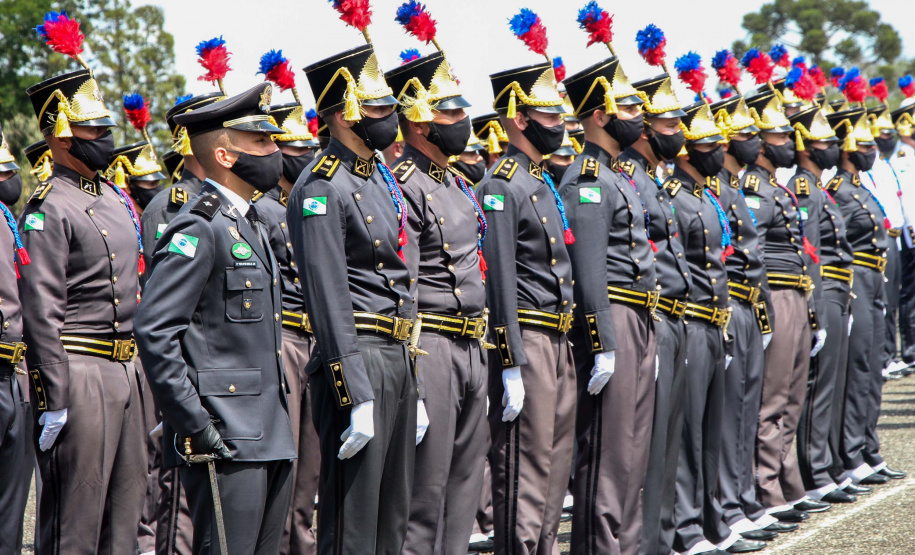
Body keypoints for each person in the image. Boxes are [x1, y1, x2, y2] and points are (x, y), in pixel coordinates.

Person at [135, 83, 297, 554]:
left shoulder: (251, 222)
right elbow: (155, 329)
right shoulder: (199, 226)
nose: (274, 151)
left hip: (270, 432)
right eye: (261, 142)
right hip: (224, 433)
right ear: (225, 156)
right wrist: (193, 421)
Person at [290, 42, 418, 554]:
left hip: (396, 356)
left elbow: (401, 279)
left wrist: (412, 379)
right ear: (345, 115)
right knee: (354, 526)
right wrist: (355, 392)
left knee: (392, 520)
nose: (391, 119)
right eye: (379, 109)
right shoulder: (321, 187)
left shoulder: (378, 178)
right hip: (358, 357)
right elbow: (328, 297)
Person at [20, 59, 148, 552]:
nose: (104, 136)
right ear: (61, 135)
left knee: (125, 520)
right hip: (80, 372)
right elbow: (42, 309)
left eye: (104, 126)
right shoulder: (49, 206)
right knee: (75, 525)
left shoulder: (114, 198)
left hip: (126, 370)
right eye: (91, 128)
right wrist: (53, 395)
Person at [385, 49, 490, 555]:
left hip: (472, 345)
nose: (462, 120)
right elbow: (402, 289)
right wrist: (416, 383)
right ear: (420, 122)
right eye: (450, 112)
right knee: (424, 498)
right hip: (432, 347)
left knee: (464, 488)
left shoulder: (457, 182)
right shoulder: (405, 186)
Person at [476, 59, 575, 555]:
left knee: (555, 465)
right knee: (526, 465)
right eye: (549, 116)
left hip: (557, 338)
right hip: (529, 339)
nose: (559, 124)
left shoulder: (540, 180)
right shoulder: (501, 184)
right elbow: (499, 278)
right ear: (519, 118)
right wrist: (511, 359)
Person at [562, 57, 660, 555]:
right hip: (613, 318)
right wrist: (602, 343)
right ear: (599, 115)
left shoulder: (617, 174)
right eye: (628, 108)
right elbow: (589, 269)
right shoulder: (588, 179)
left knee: (634, 453)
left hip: (638, 316)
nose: (638, 116)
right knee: (608, 453)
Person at [666, 101, 761, 555]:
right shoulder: (674, 195)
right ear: (685, 150)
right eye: (708, 146)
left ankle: (711, 518)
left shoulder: (704, 195)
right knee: (688, 432)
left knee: (710, 430)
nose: (718, 152)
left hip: (714, 322)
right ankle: (686, 526)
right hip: (690, 321)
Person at [743, 88, 826, 522]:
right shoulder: (755, 186)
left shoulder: (777, 187)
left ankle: (788, 481)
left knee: (793, 396)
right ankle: (767, 488)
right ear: (759, 141)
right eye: (778, 137)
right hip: (774, 294)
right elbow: (751, 249)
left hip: (795, 293)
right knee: (772, 399)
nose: (788, 142)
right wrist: (763, 310)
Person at [707, 94, 785, 540]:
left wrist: (764, 314)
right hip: (729, 307)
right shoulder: (716, 187)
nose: (754, 142)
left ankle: (743, 498)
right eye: (745, 135)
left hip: (749, 307)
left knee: (746, 408)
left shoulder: (734, 186)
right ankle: (728, 504)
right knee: (729, 412)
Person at [621, 73, 692, 555]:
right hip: (653, 318)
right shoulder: (629, 176)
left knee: (668, 441)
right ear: (645, 128)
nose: (677, 132)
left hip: (673, 315)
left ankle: (662, 540)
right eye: (668, 125)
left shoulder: (652, 177)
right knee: (647, 446)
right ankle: (646, 543)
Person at [253, 93, 322, 555]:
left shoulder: (310, 201)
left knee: (311, 472)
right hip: (284, 342)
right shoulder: (262, 210)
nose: (306, 157)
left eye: (309, 149)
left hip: (315, 340)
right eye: (297, 150)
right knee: (287, 468)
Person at [786, 105, 863, 503]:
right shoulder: (803, 187)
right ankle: (814, 471)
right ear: (804, 145)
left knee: (832, 385)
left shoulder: (816, 187)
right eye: (824, 142)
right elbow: (810, 252)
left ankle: (828, 463)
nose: (833, 147)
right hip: (823, 290)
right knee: (818, 389)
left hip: (837, 290)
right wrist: (815, 310)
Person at [825, 106, 903, 487]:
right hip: (855, 280)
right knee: (856, 370)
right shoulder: (836, 191)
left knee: (873, 368)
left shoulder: (861, 187)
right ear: (847, 149)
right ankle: (851, 452)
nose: (872, 150)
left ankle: (870, 448)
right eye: (865, 145)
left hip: (875, 280)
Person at [0, 127, 32, 555]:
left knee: (10, 513)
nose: (9, 180)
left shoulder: (8, 219)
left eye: (9, 171)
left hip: (12, 370)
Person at [866, 103, 909, 378]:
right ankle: (882, 358)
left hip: (894, 238)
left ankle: (889, 356)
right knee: (881, 302)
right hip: (878, 240)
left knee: (891, 300)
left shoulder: (882, 163)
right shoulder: (867, 168)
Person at [890, 93, 915, 367]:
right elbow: (908, 202)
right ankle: (910, 349)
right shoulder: (902, 158)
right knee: (910, 292)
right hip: (910, 236)